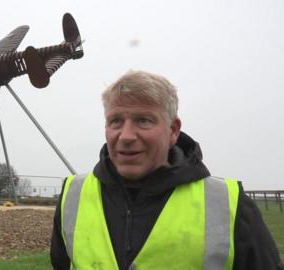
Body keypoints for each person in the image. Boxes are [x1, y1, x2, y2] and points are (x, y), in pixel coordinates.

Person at [50, 70, 283, 270]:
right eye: (116, 121)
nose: (126, 136)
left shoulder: (228, 205)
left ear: (173, 130)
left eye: (143, 120)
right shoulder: (73, 195)